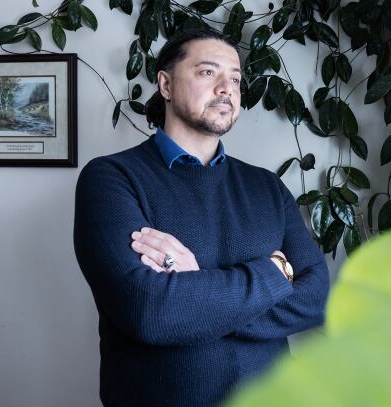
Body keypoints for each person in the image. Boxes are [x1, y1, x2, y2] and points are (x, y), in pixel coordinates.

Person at [73, 29, 330, 407]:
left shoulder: (266, 186)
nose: (227, 87)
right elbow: (149, 310)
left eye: (237, 79)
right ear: (165, 83)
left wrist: (196, 296)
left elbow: (316, 296)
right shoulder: (111, 178)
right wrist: (275, 273)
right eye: (208, 73)